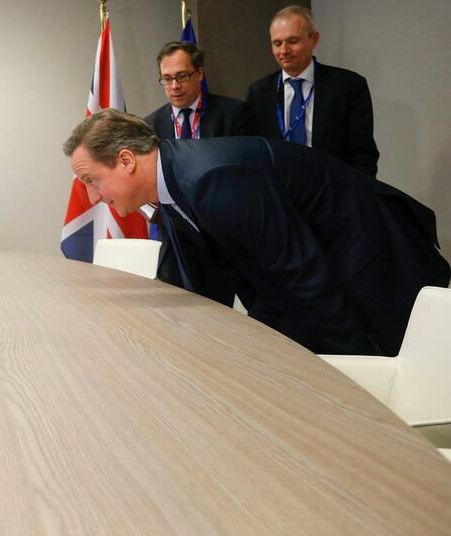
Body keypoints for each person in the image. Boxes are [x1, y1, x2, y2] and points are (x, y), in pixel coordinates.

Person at [63, 109, 449, 356]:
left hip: (370, 255)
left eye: (92, 181)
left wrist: (345, 369)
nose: (94, 196)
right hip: (323, 264)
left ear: (126, 160)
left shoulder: (209, 179)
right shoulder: (173, 185)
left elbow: (303, 271)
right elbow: (203, 279)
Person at [246, 5, 379, 177]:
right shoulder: (259, 92)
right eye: (277, 43)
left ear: (314, 39)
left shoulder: (348, 86)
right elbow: (254, 152)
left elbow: (364, 155)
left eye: (292, 41)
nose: (284, 51)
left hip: (334, 191)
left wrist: (355, 197)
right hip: (280, 194)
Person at [144, 41, 253, 142]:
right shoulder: (149, 127)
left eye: (182, 76)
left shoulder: (233, 115)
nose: (174, 86)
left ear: (200, 74)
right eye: (167, 79)